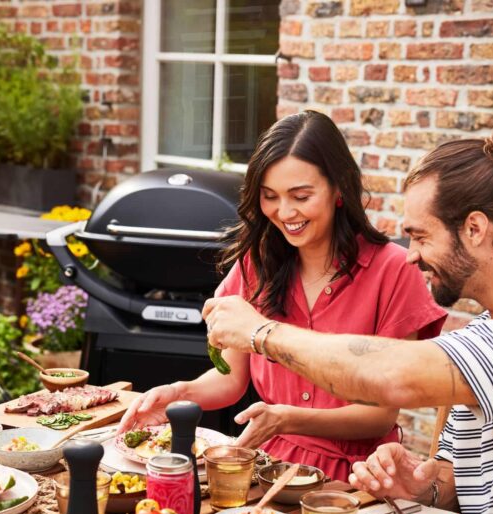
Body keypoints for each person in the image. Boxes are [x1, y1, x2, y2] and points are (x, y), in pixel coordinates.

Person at [202, 110, 493, 514]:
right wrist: (421, 486)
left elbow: (394, 377)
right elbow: (465, 486)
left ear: (474, 229)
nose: (411, 255)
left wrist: (262, 333)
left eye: (421, 236)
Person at [119, 110, 445, 481]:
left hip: (359, 479)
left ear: (339, 188)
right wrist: (178, 394)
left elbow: (379, 415)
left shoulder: (395, 270)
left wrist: (288, 419)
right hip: (268, 470)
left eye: (301, 196)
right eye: (270, 196)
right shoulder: (255, 266)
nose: (285, 212)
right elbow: (230, 379)